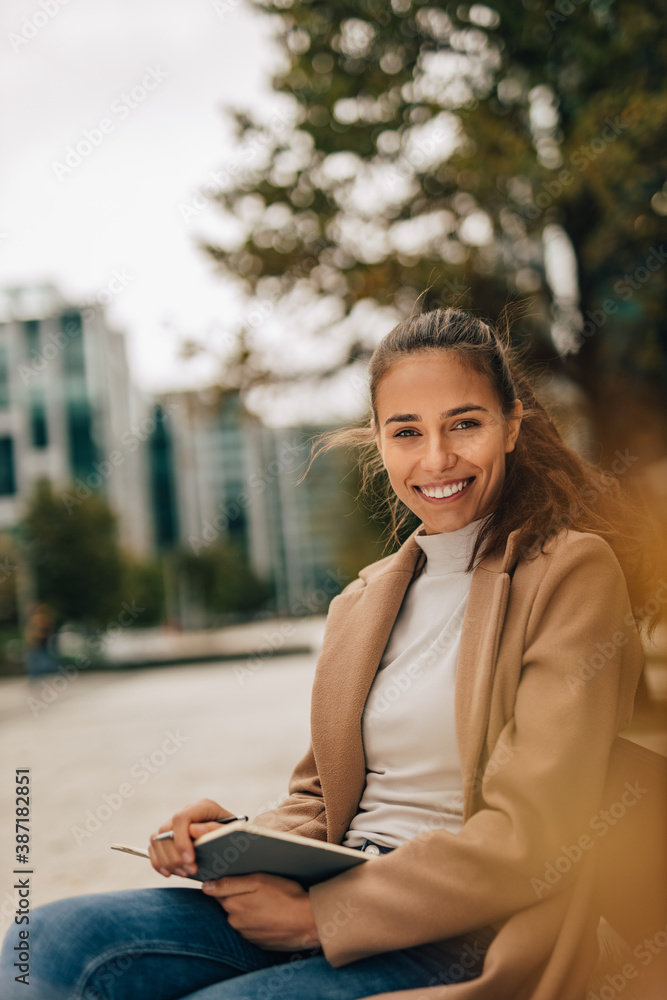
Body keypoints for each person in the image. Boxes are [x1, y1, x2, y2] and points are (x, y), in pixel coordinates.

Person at [1, 307, 656, 1000]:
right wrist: (233, 839)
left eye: (464, 424)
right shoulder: (363, 600)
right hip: (330, 888)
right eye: (406, 432)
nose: (435, 459)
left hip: (466, 930)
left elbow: (536, 833)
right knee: (42, 944)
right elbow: (322, 798)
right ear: (378, 442)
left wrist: (321, 918)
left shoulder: (569, 573)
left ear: (512, 425)